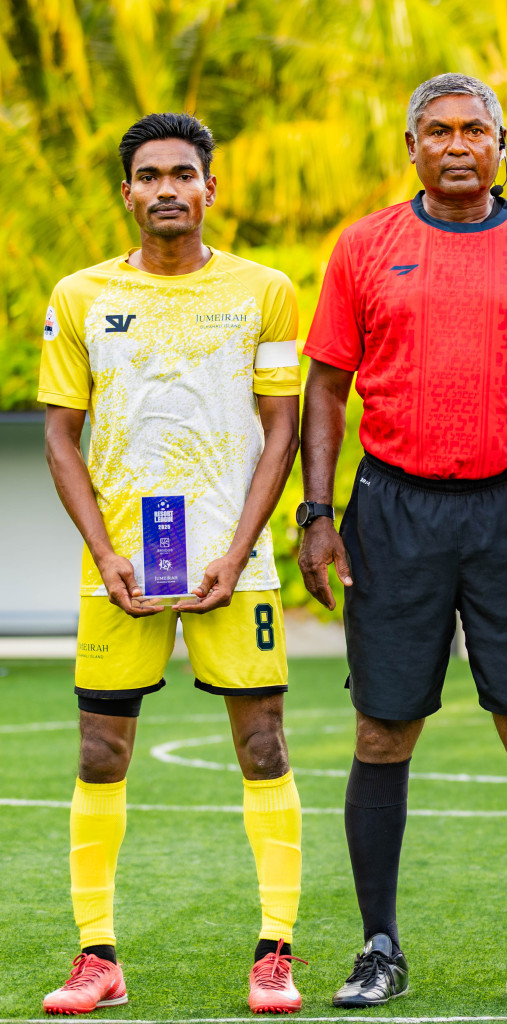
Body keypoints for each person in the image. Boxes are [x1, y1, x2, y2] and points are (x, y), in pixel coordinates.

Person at [298, 73, 507, 1008]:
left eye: (475, 129)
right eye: (437, 131)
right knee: (382, 728)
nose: (457, 145)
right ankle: (378, 947)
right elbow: (325, 388)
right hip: (394, 509)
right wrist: (317, 513)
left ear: (501, 145)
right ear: (412, 148)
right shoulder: (365, 247)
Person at [37, 113, 305, 1015]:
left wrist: (239, 548)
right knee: (100, 750)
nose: (167, 189)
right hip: (120, 565)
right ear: (127, 193)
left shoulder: (265, 290)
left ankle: (275, 953)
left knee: (263, 745)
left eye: (183, 174)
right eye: (149, 176)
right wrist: (104, 552)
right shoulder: (80, 295)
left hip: (236, 562)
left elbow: (282, 429)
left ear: (209, 188)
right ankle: (97, 957)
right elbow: (60, 438)